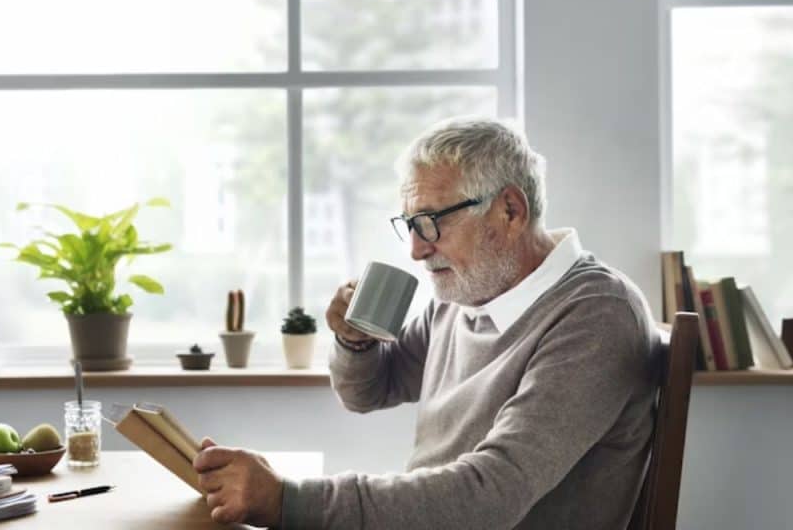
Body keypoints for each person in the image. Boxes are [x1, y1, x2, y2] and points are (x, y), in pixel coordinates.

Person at [193, 117, 658, 529]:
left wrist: (287, 502)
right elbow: (368, 392)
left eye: (432, 222)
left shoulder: (597, 313)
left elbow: (490, 495)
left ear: (510, 210)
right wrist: (355, 340)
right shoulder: (466, 295)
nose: (416, 249)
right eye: (411, 225)